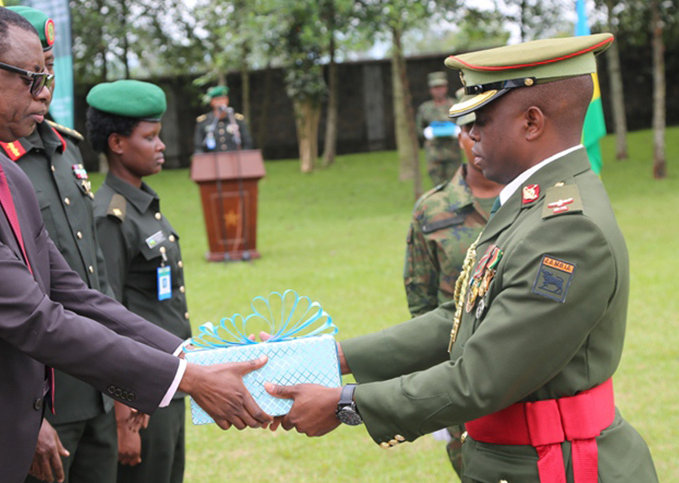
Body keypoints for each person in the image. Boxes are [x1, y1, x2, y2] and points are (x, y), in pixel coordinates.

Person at [0, 3, 270, 483]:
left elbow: (75, 296)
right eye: (30, 78)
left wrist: (197, 354)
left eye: (46, 77)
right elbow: (33, 318)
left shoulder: (3, 174)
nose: (43, 94)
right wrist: (187, 380)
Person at [266, 34, 658, 483]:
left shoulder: (566, 229)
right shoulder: (534, 203)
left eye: (480, 120)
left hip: (557, 468)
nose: (468, 135)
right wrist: (332, 356)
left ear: (532, 122)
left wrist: (346, 403)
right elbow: (460, 318)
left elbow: (481, 377)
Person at [0, 6, 119, 483]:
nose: (43, 84)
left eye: (48, 68)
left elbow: (95, 276)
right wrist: (29, 414)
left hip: (99, 384)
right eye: (32, 71)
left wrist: (124, 378)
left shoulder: (66, 149)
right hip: (44, 395)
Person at [89, 79, 191, 483]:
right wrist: (122, 415)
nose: (160, 145)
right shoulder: (109, 216)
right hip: (141, 394)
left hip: (171, 380)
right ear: (117, 143)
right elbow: (103, 314)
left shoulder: (144, 206)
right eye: (149, 137)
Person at [402, 88, 504, 477]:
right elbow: (420, 302)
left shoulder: (529, 201)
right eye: (468, 128)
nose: (477, 137)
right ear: (458, 136)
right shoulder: (432, 210)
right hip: (459, 373)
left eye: (486, 125)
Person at [416, 72, 461, 186]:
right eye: (436, 88)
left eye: (441, 87)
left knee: (455, 185)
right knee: (438, 187)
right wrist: (427, 133)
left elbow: (465, 125)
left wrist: (458, 131)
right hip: (434, 154)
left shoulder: (455, 105)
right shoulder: (425, 108)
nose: (439, 90)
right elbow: (419, 130)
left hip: (453, 153)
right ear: (431, 90)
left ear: (446, 88)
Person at [193, 86, 253, 153]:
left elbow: (248, 143)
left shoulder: (236, 120)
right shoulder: (204, 121)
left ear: (227, 100)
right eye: (217, 99)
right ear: (211, 102)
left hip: (234, 159)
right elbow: (198, 147)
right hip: (212, 160)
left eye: (223, 99)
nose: (221, 102)